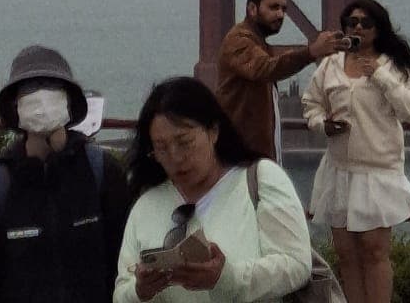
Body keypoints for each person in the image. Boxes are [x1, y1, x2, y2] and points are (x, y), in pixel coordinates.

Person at [0, 43, 130, 302]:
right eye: (29, 89)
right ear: (15, 107)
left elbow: (126, 265)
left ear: (69, 100)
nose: (41, 97)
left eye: (51, 87)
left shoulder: (101, 173)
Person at [113, 76, 311, 302]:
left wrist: (226, 278)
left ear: (213, 132)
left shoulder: (260, 179)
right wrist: (141, 291)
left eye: (185, 142)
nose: (176, 157)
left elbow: (296, 264)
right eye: (162, 149)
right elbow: (121, 294)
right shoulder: (147, 204)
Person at [301, 0, 410, 303]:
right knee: (346, 254)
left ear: (378, 28)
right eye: (351, 22)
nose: (357, 27)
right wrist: (322, 124)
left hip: (377, 170)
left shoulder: (393, 65)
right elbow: (311, 104)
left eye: (365, 23)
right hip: (338, 170)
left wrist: (381, 77)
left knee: (374, 251)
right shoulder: (330, 64)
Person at [214, 0, 344, 161]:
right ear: (252, 9)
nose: (281, 15)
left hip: (253, 155)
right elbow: (266, 68)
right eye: (273, 7)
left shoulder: (258, 43)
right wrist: (311, 52)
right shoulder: (239, 41)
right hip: (241, 157)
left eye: (284, 9)